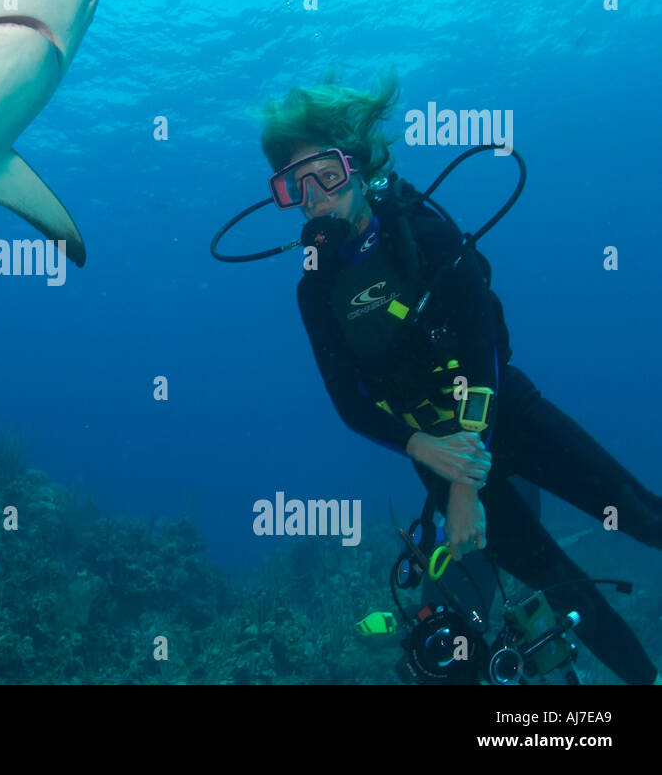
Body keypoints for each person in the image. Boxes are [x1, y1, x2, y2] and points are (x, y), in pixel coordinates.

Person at [260, 71, 662, 684]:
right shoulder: (314, 291)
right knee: (556, 582)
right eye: (295, 185)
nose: (316, 196)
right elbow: (350, 403)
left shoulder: (421, 230)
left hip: (505, 412)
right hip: (434, 451)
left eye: (328, 175)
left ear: (360, 169)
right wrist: (431, 457)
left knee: (639, 514)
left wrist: (466, 484)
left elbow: (484, 347)